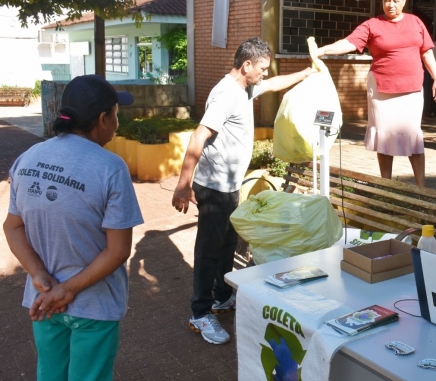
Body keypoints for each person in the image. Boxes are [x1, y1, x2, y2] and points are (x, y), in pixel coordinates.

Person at [171, 37, 315, 345]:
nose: (264, 73)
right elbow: (198, 137)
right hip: (213, 187)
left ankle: (222, 298)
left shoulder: (245, 88)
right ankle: (200, 312)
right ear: (246, 65)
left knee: (226, 245)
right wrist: (183, 184)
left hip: (230, 186)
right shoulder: (226, 94)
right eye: (261, 68)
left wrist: (305, 74)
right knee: (209, 250)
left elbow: (275, 83)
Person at [3, 75, 143, 380]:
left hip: (43, 300)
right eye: (116, 115)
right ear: (103, 119)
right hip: (94, 305)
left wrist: (39, 274)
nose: (117, 123)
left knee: (50, 374)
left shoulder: (28, 158)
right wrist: (67, 290)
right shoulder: (111, 167)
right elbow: (118, 251)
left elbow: (11, 227)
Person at [315, 0, 436, 187]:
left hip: (411, 90)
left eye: (395, 0)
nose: (390, 4)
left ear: (404, 1)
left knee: (413, 136)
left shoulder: (415, 22)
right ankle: (386, 185)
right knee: (384, 138)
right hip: (381, 89)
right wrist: (323, 50)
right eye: (386, 0)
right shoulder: (372, 25)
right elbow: (350, 42)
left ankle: (422, 187)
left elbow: (426, 51)